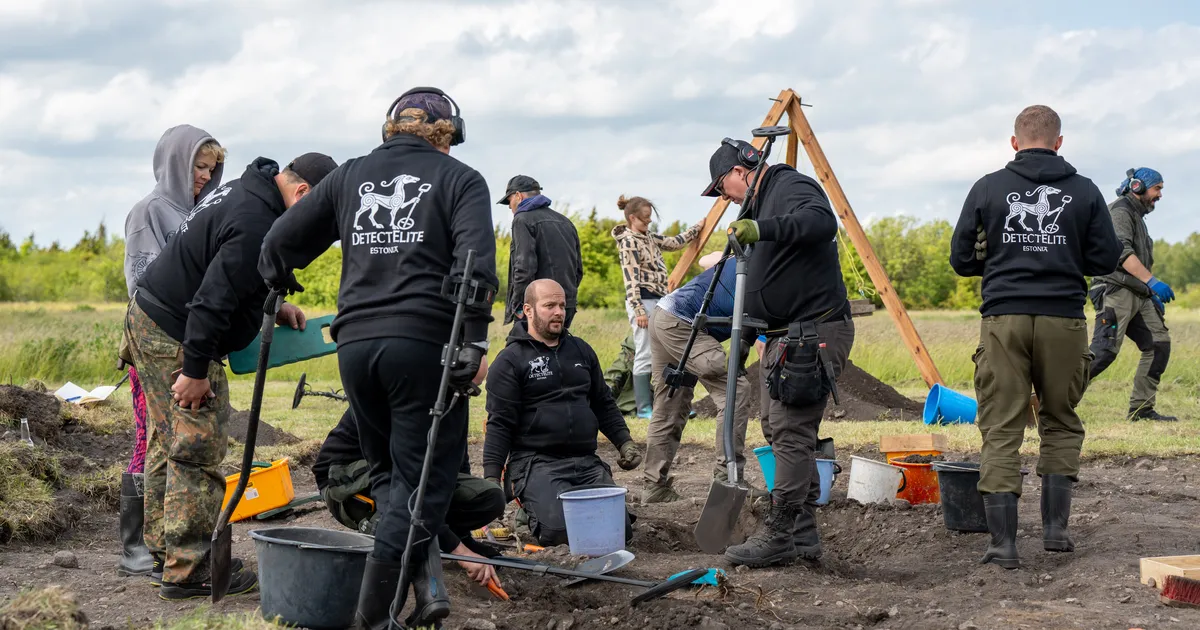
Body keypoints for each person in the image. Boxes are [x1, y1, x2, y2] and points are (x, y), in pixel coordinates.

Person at [258, 87, 498, 630]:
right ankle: (372, 619)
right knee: (426, 488)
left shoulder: (348, 176)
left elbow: (279, 241)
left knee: (389, 474)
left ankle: (426, 591)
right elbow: (475, 269)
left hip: (355, 349)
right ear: (448, 134)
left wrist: (277, 277)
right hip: (422, 348)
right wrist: (473, 341)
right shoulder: (462, 179)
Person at [126, 151, 335, 599]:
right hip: (176, 332)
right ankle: (190, 572)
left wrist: (274, 306)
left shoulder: (248, 192)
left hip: (151, 316)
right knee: (197, 447)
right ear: (301, 194)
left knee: (169, 440)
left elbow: (222, 268)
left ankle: (167, 551)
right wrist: (196, 369)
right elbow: (212, 297)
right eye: (316, 215)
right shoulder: (256, 222)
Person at [950, 104, 1120, 569]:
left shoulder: (987, 187)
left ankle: (1002, 545)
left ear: (1014, 142)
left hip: (1004, 319)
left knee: (1002, 427)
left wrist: (992, 255)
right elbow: (1105, 259)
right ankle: (1055, 533)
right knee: (1061, 419)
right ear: (1059, 142)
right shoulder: (1085, 191)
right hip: (1063, 319)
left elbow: (961, 260)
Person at [700, 137, 854, 568]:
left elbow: (821, 222)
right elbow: (767, 281)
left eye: (720, 188)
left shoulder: (789, 186)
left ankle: (780, 534)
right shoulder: (760, 203)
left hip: (811, 334)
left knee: (790, 432)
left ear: (739, 171)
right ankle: (802, 536)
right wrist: (746, 337)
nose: (724, 198)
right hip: (784, 336)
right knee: (776, 426)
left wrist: (762, 229)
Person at [118, 125, 224, 579]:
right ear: (173, 162)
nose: (205, 175)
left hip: (190, 337)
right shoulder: (149, 212)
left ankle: (161, 541)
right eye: (198, 166)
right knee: (153, 435)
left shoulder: (203, 210)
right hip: (156, 338)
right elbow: (144, 284)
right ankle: (133, 548)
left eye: (212, 168)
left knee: (173, 436)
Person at [483, 279, 643, 547]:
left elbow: (603, 402)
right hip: (536, 463)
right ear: (528, 310)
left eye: (562, 305)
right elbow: (499, 424)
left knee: (619, 532)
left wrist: (624, 442)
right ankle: (528, 511)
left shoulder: (581, 350)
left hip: (585, 461)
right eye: (549, 306)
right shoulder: (510, 360)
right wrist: (491, 479)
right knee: (559, 534)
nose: (558, 312)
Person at [313, 407, 507, 579]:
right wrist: (462, 553)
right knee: (403, 529)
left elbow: (457, 461)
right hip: (345, 480)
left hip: (401, 473)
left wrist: (464, 539)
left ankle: (433, 537)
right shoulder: (408, 393)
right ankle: (396, 533)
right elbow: (410, 492)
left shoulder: (456, 391)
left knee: (489, 497)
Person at [642, 249, 764, 504]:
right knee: (735, 390)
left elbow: (707, 260)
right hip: (683, 324)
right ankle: (727, 477)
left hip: (664, 315)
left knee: (670, 404)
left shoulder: (742, 257)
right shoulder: (763, 270)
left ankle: (654, 487)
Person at [1087, 167, 1176, 422]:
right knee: (1104, 351)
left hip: (1138, 292)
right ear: (1137, 187)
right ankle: (1052, 406)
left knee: (1158, 343)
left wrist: (1149, 290)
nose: (1159, 194)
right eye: (1157, 188)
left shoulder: (1138, 217)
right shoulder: (1120, 211)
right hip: (1115, 289)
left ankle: (1142, 410)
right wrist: (1153, 281)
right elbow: (1121, 253)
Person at [611, 195, 703, 419]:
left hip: (661, 299)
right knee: (644, 351)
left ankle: (674, 403)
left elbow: (674, 243)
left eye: (650, 219)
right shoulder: (629, 242)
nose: (648, 223)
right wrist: (638, 309)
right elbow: (630, 278)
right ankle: (644, 409)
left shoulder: (649, 237)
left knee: (669, 349)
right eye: (644, 220)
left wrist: (696, 229)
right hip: (642, 301)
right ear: (632, 218)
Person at [499, 175, 584, 328]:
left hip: (539, 307)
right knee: (558, 350)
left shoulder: (522, 219)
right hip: (566, 306)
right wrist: (564, 301)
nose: (510, 207)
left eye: (509, 201)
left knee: (521, 350)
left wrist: (518, 306)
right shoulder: (565, 222)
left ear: (518, 196)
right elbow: (578, 270)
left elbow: (524, 268)